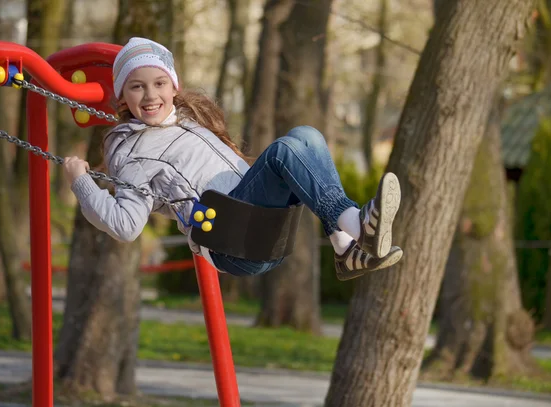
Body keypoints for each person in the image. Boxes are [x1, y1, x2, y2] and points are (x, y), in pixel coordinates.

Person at [63, 37, 403, 280]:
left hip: (256, 229)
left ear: (173, 88)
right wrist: (81, 182)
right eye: (137, 87)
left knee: (306, 135)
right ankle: (358, 225)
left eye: (159, 83)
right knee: (284, 151)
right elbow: (125, 226)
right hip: (228, 240)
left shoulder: (185, 121)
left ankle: (344, 246)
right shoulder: (133, 151)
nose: (151, 95)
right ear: (122, 96)